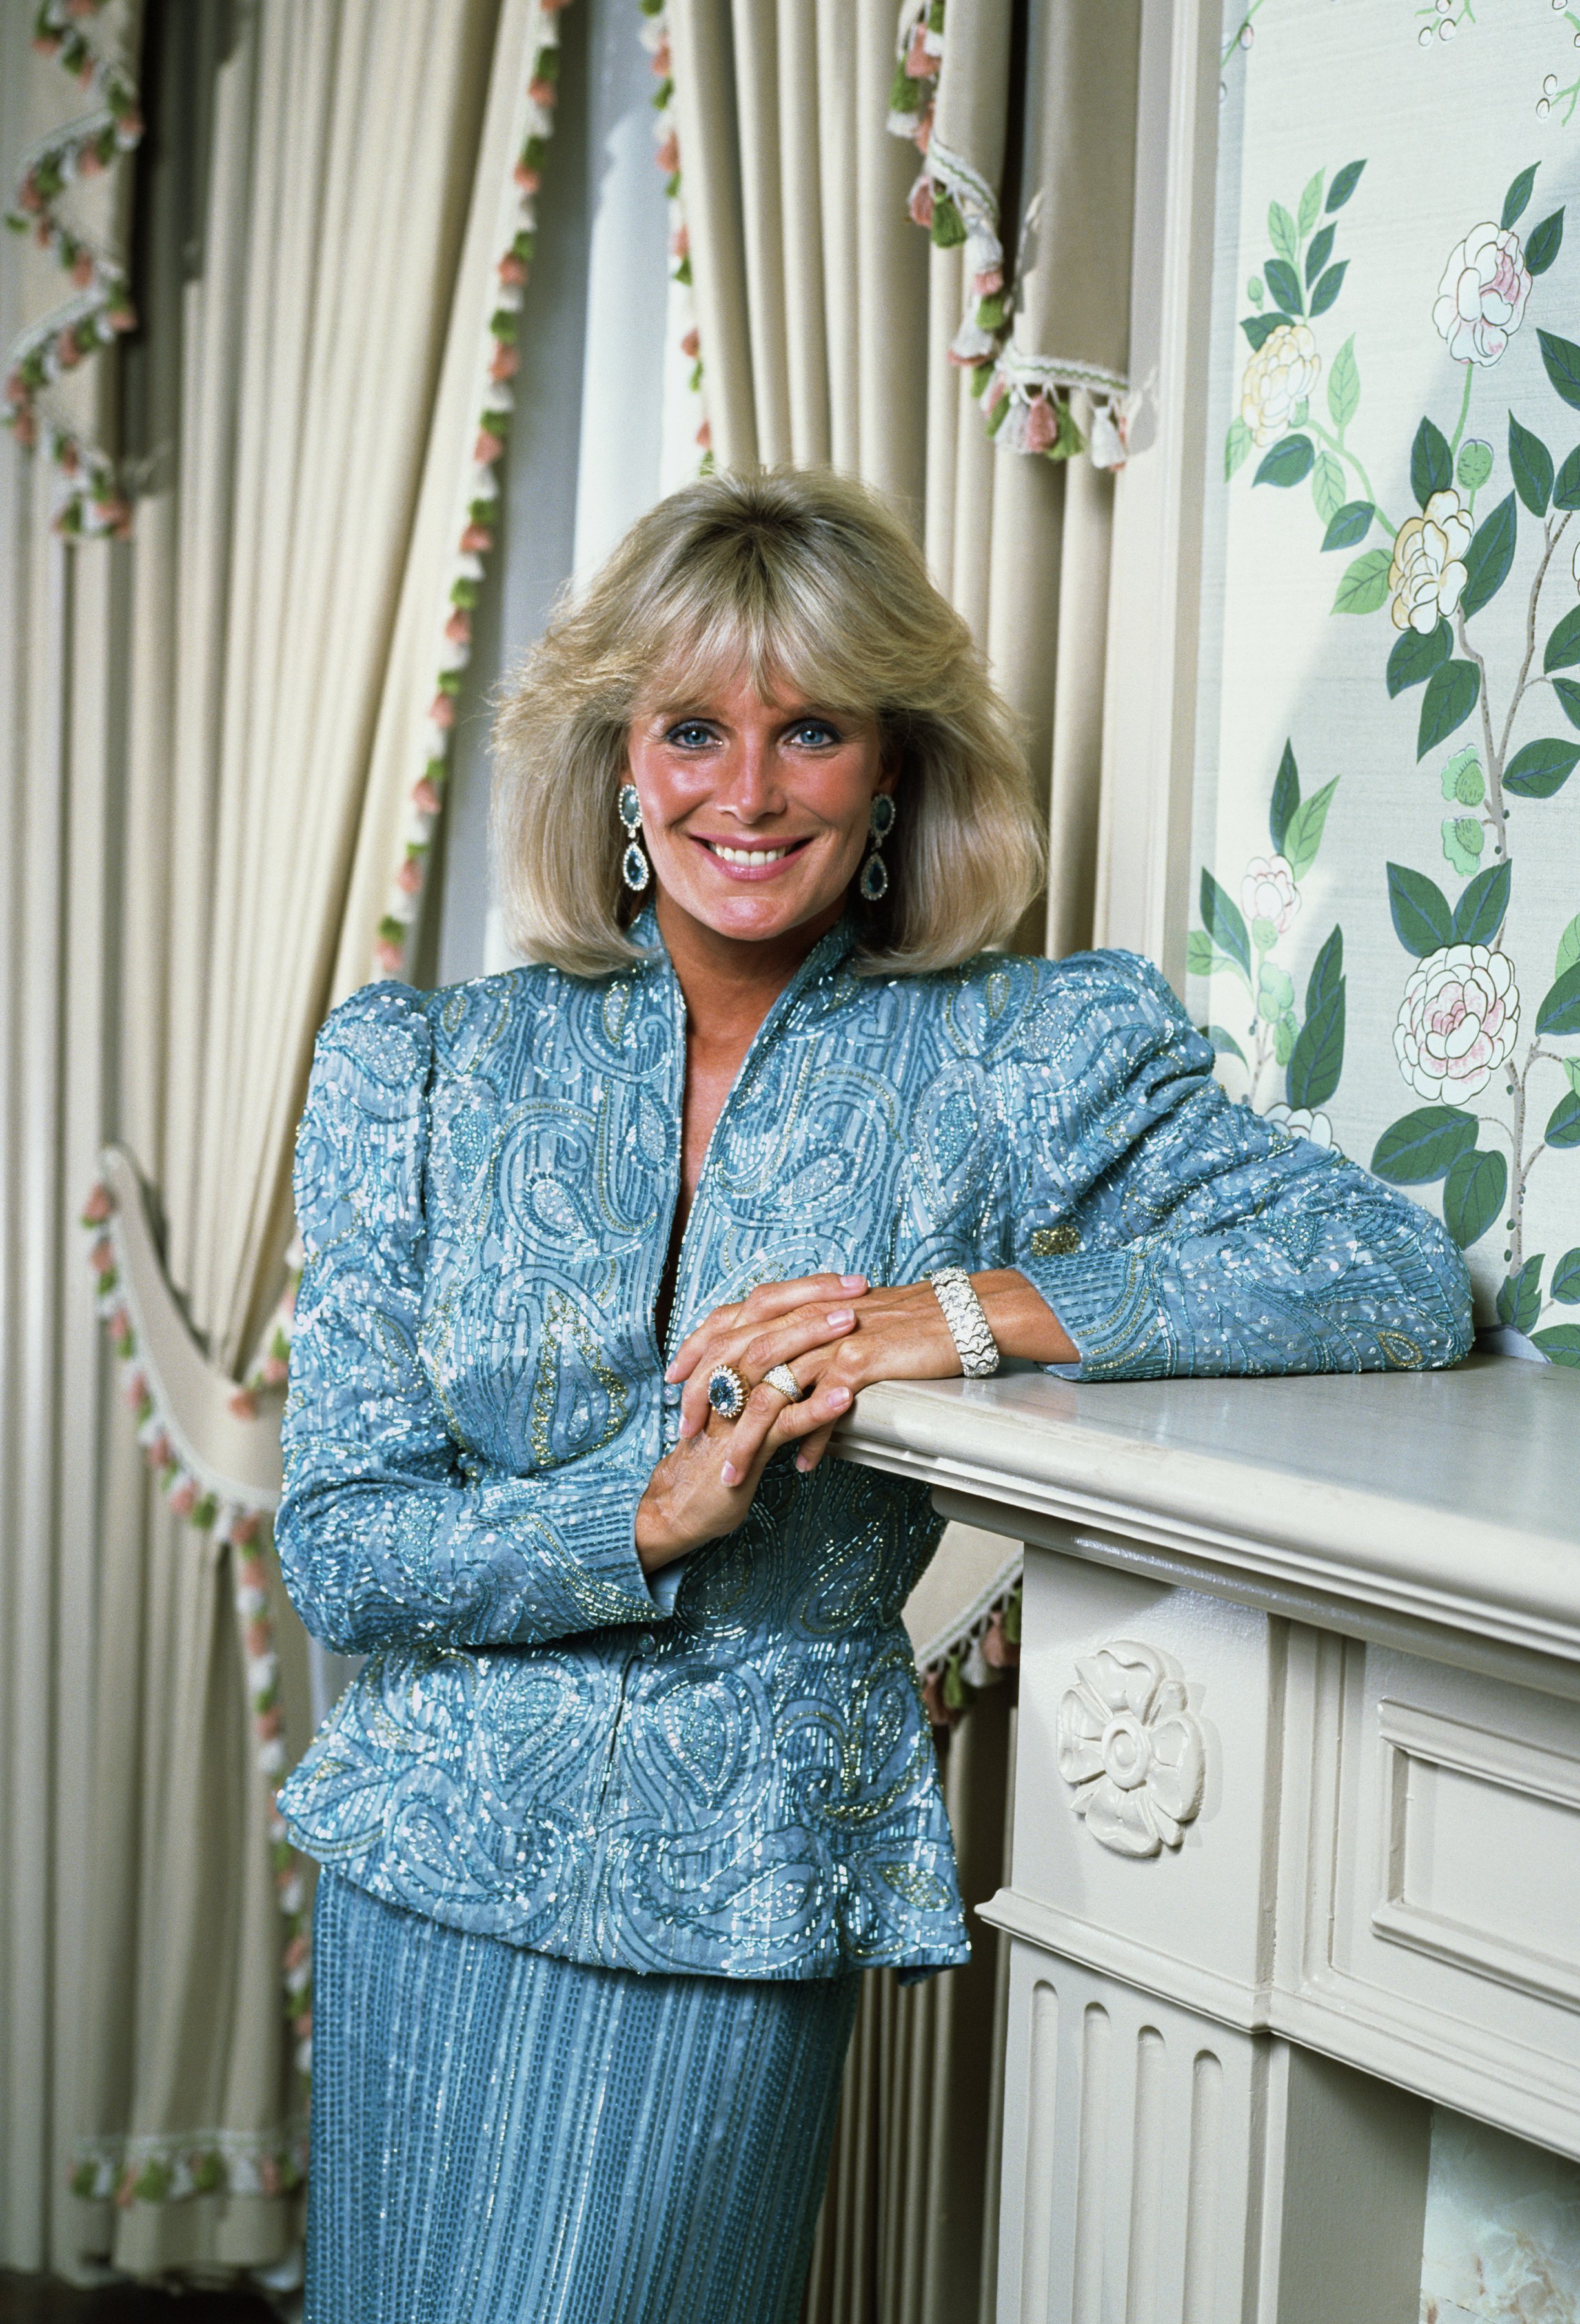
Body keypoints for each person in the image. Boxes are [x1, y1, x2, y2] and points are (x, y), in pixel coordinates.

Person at [276, 467, 1472, 2321]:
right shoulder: (419, 1070)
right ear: (618, 761)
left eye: (810, 730)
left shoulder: (1019, 1058)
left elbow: (1385, 1276)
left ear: (894, 770)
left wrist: (965, 1313)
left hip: (738, 1888)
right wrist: (646, 1512)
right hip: (418, 1879)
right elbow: (348, 1554)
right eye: (692, 729)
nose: (745, 794)